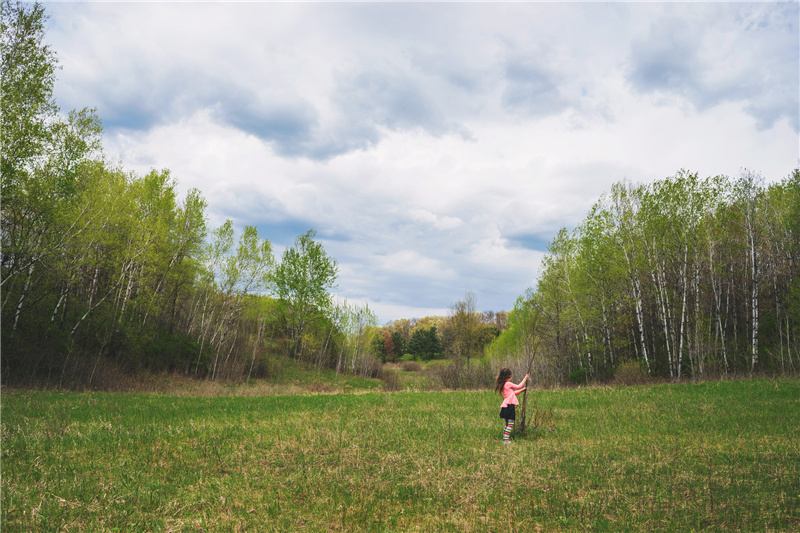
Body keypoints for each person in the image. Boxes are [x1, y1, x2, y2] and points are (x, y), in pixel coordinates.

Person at [494, 368, 529, 444]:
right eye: (510, 376)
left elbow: (512, 393)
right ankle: (506, 440)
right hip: (509, 406)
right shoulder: (508, 384)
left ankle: (505, 438)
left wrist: (521, 391)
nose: (511, 377)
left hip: (506, 406)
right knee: (510, 424)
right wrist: (525, 379)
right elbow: (518, 386)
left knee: (507, 424)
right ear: (507, 377)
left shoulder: (503, 385)